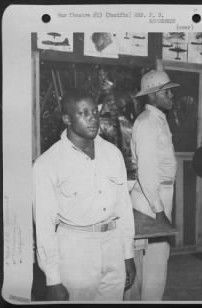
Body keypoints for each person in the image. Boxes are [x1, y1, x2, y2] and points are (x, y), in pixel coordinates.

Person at [33, 89, 136, 301]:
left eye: (95, 112)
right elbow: (44, 226)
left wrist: (127, 254)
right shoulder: (48, 163)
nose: (93, 119)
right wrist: (52, 279)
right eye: (84, 113)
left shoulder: (113, 154)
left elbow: (124, 209)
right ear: (67, 119)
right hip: (75, 250)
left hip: (113, 244)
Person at [130, 70, 179, 300]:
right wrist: (159, 213)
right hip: (151, 200)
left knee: (155, 263)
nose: (172, 96)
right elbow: (147, 173)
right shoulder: (148, 123)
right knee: (154, 267)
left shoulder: (157, 120)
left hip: (158, 196)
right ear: (152, 96)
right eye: (167, 92)